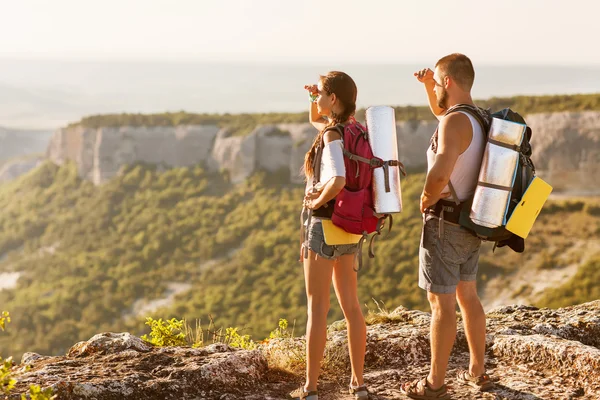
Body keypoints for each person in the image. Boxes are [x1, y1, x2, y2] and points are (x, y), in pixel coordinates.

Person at [401, 54, 493, 399]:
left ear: (450, 82)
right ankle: (477, 371)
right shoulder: (478, 118)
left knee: (440, 304)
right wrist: (428, 87)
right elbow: (444, 115)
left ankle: (435, 384)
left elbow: (440, 173)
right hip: (472, 220)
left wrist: (424, 199)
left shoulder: (453, 124)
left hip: (444, 223)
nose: (437, 86)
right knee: (468, 296)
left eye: (439, 82)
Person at [289, 71, 369, 400]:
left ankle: (309, 389)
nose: (318, 99)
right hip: (350, 228)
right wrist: (312, 97)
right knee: (351, 307)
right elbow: (316, 119)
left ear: (333, 99)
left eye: (322, 94)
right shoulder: (355, 130)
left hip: (323, 228)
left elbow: (336, 178)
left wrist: (316, 199)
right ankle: (359, 385)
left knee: (317, 308)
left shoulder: (333, 135)